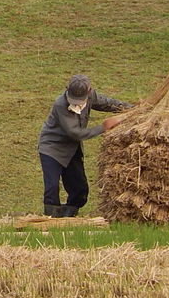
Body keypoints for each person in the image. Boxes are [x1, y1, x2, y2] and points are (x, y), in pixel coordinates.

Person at [37, 74, 132, 217]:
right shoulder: (60, 104)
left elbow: (107, 103)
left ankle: (68, 215)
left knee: (79, 189)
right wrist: (103, 127)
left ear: (89, 91)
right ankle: (51, 217)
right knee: (52, 187)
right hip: (52, 147)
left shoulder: (91, 96)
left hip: (72, 148)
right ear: (67, 89)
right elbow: (75, 133)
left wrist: (131, 108)